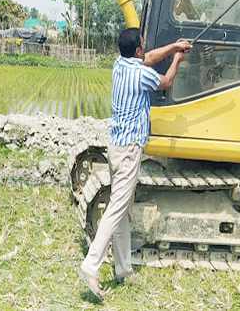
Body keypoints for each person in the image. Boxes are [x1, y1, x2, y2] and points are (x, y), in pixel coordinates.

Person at [77, 28, 190, 301]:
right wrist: (177, 59)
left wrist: (174, 46)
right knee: (117, 208)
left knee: (123, 210)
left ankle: (123, 269)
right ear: (137, 51)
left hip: (117, 146)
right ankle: (91, 265)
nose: (145, 49)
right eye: (142, 45)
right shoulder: (141, 74)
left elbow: (148, 57)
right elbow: (165, 82)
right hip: (129, 150)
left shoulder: (121, 65)